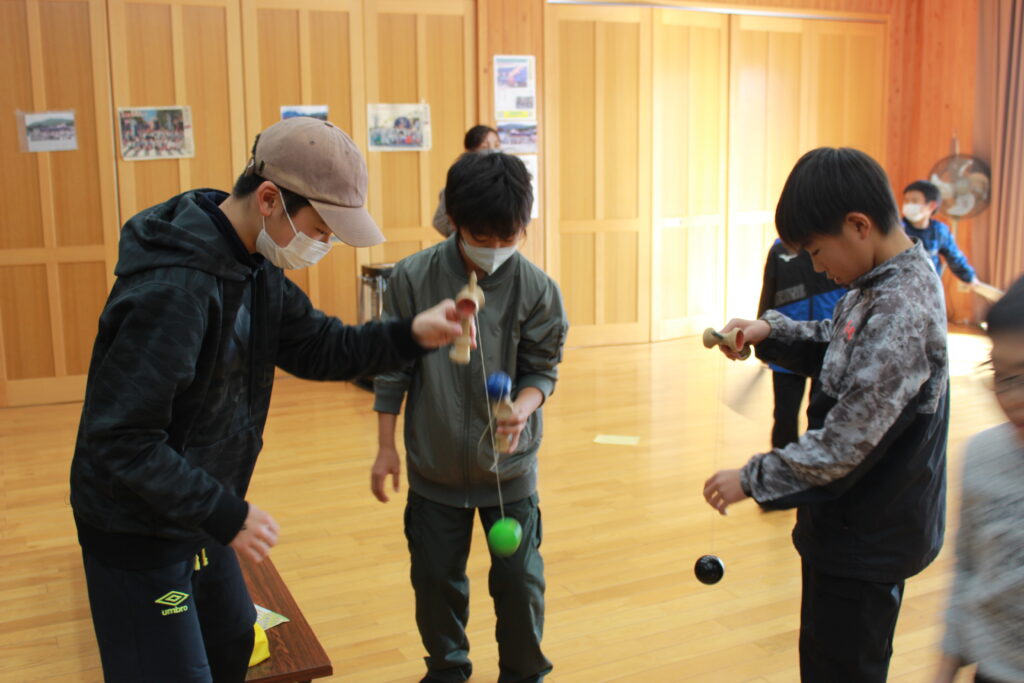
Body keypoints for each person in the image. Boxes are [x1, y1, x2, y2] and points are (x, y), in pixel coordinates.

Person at [70, 116, 468, 683]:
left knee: (233, 642)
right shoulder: (173, 291)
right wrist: (226, 512)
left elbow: (320, 347)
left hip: (199, 508)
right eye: (321, 228)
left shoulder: (252, 265)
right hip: (137, 527)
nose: (324, 244)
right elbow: (122, 441)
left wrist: (410, 335)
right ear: (268, 199)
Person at [703, 147, 950, 682]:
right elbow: (840, 342)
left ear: (858, 226)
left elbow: (845, 444)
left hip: (869, 537)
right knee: (822, 657)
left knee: (843, 667)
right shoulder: (877, 283)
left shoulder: (903, 305)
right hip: (844, 527)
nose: (817, 268)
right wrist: (770, 331)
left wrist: (751, 478)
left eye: (816, 252)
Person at [372, 151, 567, 683]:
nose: (497, 248)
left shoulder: (537, 289)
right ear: (454, 220)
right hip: (434, 469)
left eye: (510, 236)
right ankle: (447, 668)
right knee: (435, 580)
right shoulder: (413, 277)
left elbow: (542, 370)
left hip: (509, 469)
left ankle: (524, 673)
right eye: (484, 236)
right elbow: (392, 369)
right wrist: (386, 446)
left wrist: (523, 408)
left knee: (520, 583)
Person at [935, 275, 1024, 683]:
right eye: (1002, 377)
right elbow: (969, 572)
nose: (1013, 399)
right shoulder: (982, 457)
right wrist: (944, 672)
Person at [757, 239, 845, 448]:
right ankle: (781, 462)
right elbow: (768, 291)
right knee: (784, 415)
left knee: (820, 416)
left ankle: (811, 463)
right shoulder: (779, 249)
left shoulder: (833, 247)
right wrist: (762, 338)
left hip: (826, 346)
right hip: (787, 345)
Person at [901, 179, 978, 285]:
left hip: (930, 288)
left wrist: (970, 278)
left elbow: (954, 257)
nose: (909, 205)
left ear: (932, 206)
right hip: (902, 286)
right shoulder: (898, 229)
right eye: (906, 201)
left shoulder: (939, 231)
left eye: (914, 201)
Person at [432, 125, 501, 237]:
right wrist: (463, 237)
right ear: (470, 151)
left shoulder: (507, 179)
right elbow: (440, 221)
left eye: (497, 145)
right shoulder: (460, 181)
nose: (493, 151)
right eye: (485, 147)